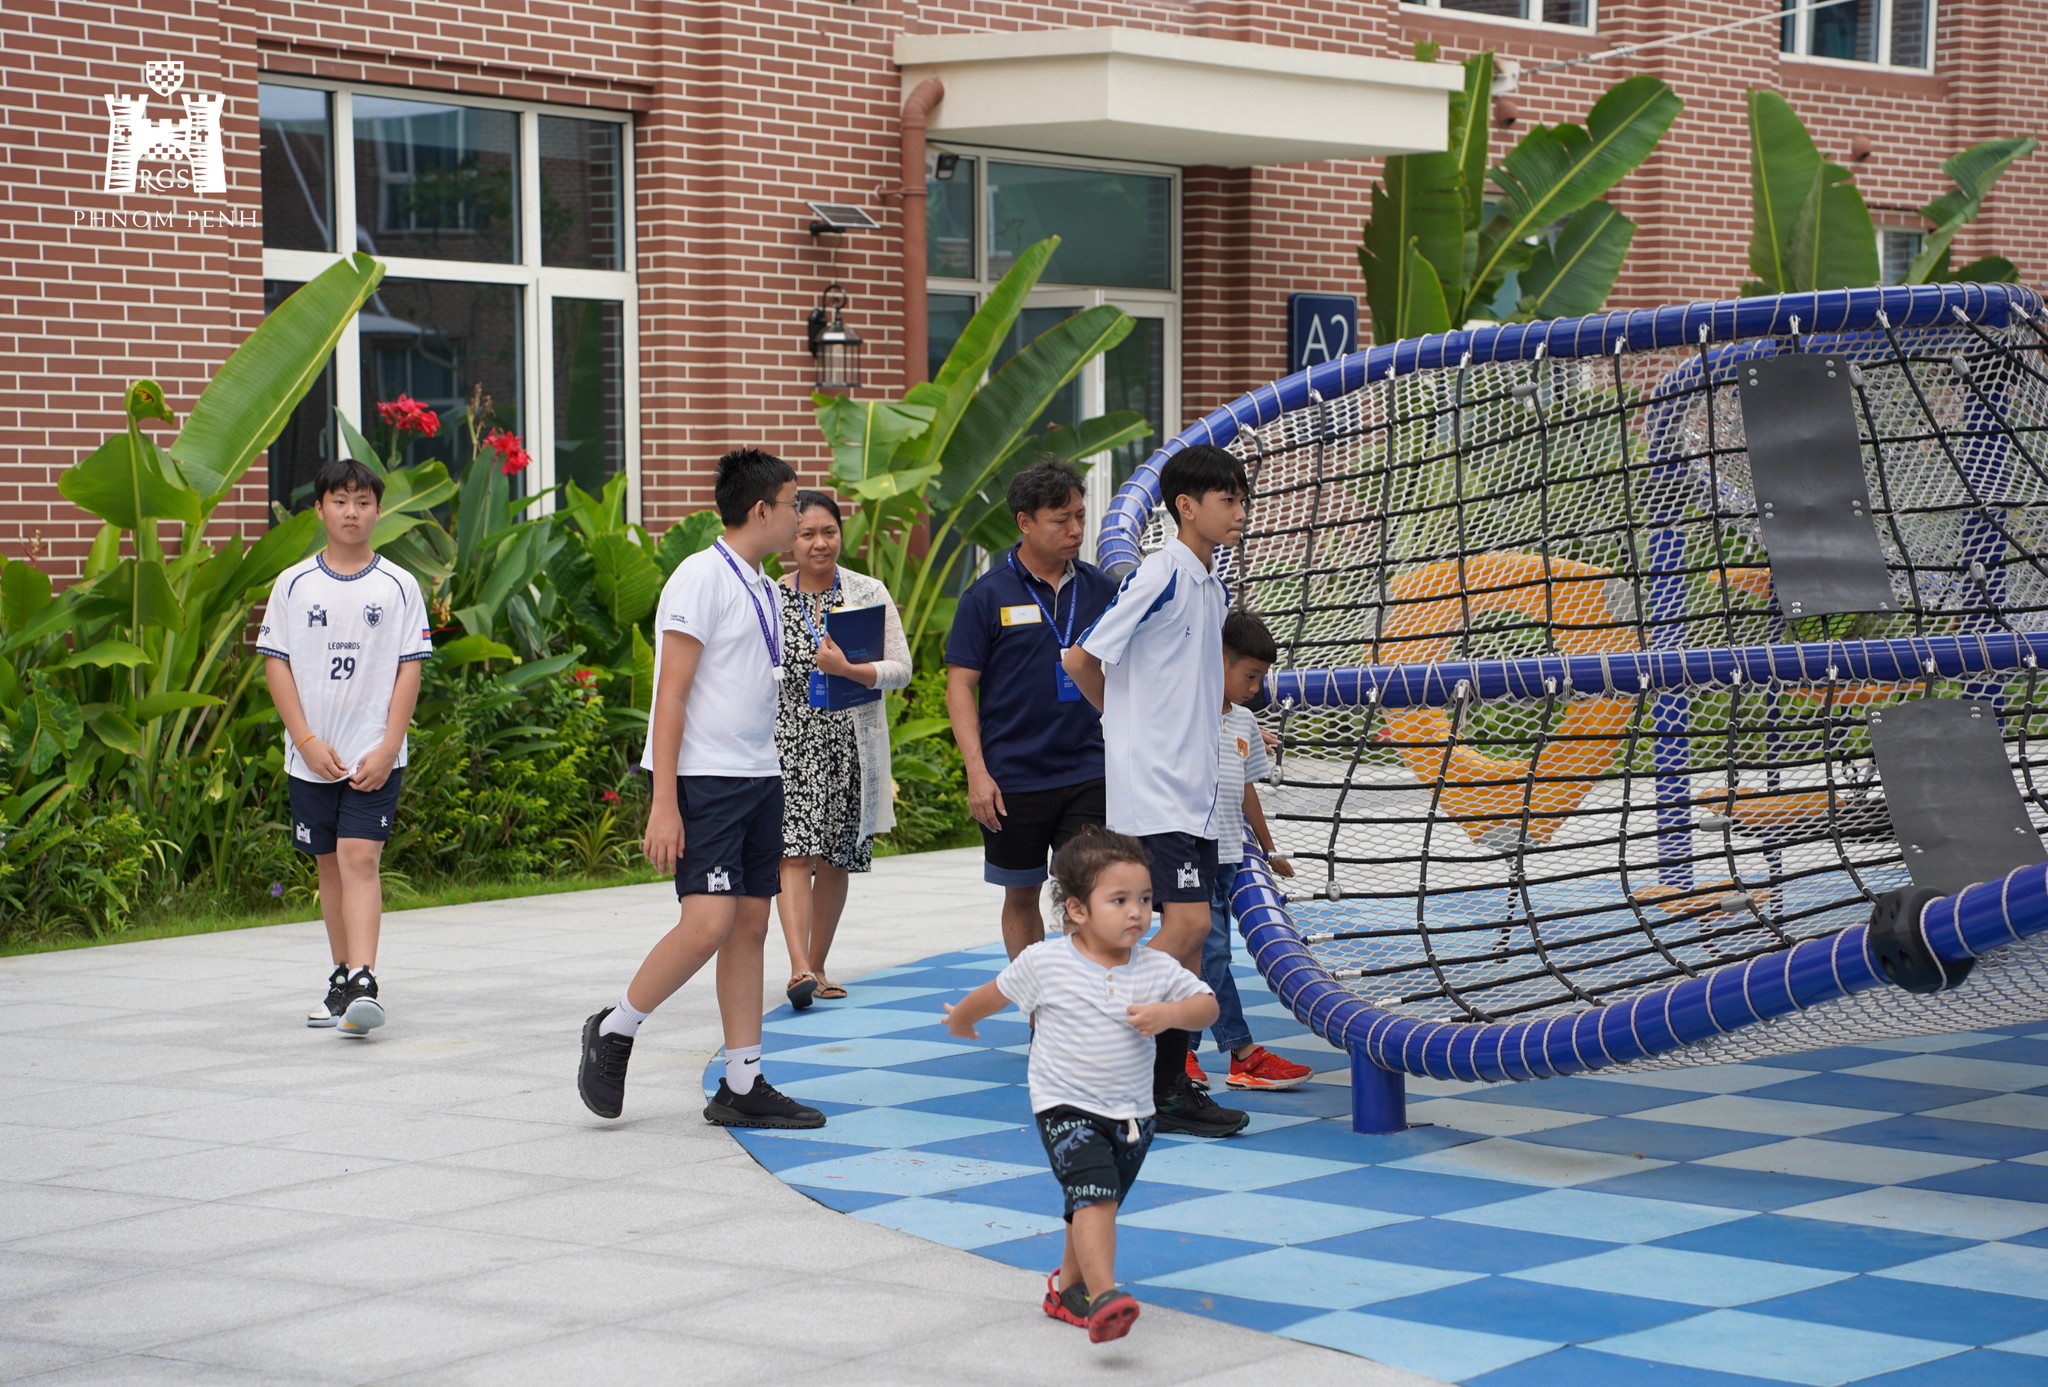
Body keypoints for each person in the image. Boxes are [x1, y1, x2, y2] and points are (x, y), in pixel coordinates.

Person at [577, 448, 826, 1130]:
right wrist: (663, 798)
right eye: (793, 502)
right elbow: (672, 692)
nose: (801, 515)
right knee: (708, 921)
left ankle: (741, 1081)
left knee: (750, 924)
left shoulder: (765, 585)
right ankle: (616, 1028)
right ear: (761, 510)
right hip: (705, 779)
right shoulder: (699, 578)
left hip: (759, 774)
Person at [943, 828, 1216, 1344]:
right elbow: (995, 993)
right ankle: (1105, 1293)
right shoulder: (1047, 962)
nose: (1137, 912)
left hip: (1135, 1113)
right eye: (1119, 901)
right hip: (1064, 1105)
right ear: (1078, 909)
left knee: (1095, 1200)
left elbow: (1207, 1005)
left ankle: (1066, 1288)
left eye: (1144, 899)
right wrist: (962, 1018)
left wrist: (1171, 1013)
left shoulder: (1155, 966)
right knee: (1094, 1197)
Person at [1062, 443, 1251, 1138]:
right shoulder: (1160, 575)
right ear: (1186, 506)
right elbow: (1081, 656)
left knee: (1192, 945)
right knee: (1190, 926)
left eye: (1239, 498)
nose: (1237, 510)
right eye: (1226, 499)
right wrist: (1119, 720)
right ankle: (1104, 1039)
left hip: (1195, 787)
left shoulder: (1211, 584)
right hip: (1156, 788)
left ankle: (1168, 1086)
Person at [255, 457, 431, 1038]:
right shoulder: (293, 584)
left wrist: (388, 746)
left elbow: (410, 670)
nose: (351, 512)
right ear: (320, 509)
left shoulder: (400, 585)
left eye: (362, 502)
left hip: (374, 756)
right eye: (340, 501)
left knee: (361, 857)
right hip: (310, 758)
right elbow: (276, 666)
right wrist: (304, 740)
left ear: (379, 511)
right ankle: (340, 978)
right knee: (329, 864)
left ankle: (364, 979)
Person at [945, 458, 1118, 960]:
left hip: (1089, 768)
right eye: (1060, 519)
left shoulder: (1102, 589)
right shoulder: (986, 596)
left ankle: (1079, 1004)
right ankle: (1039, 1003)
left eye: (1081, 517)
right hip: (1013, 778)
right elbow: (960, 688)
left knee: (1085, 891)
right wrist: (978, 773)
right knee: (1020, 893)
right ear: (1024, 522)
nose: (1075, 530)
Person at [774, 490, 912, 1009]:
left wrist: (850, 671)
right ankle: (797, 969)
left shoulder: (866, 591)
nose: (819, 543)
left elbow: (902, 668)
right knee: (793, 852)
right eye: (807, 533)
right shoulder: (771, 596)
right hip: (788, 745)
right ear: (790, 539)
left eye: (828, 532)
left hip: (850, 744)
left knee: (835, 857)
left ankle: (820, 964)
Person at [1187, 609, 1313, 1092]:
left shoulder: (1242, 721)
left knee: (1209, 953)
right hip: (1189, 852)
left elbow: (1245, 790)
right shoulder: (1186, 712)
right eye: (1250, 676)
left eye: (1261, 678)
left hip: (1227, 853)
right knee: (1208, 952)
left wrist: (1268, 847)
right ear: (1218, 661)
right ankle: (1235, 1052)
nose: (1255, 688)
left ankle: (1195, 1052)